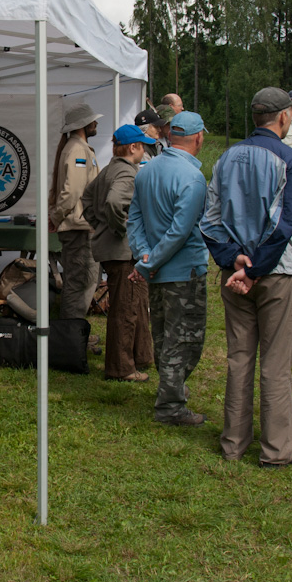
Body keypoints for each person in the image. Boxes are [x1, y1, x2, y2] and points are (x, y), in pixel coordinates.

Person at [201, 87, 292, 468]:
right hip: (275, 272)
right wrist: (255, 267)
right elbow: (285, 223)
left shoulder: (225, 157)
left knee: (239, 358)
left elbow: (209, 220)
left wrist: (234, 261)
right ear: (283, 118)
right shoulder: (290, 159)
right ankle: (277, 450)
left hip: (236, 274)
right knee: (276, 364)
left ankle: (233, 443)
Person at [127, 111, 210, 426]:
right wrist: (150, 262)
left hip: (157, 272)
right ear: (199, 137)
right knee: (186, 338)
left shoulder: (147, 170)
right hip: (183, 271)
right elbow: (180, 231)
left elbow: (134, 218)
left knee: (163, 336)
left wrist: (145, 257)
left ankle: (172, 392)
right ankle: (171, 406)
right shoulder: (193, 177)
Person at [82, 125, 156, 382]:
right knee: (125, 310)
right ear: (133, 147)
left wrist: (100, 223)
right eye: (142, 145)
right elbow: (115, 202)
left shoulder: (110, 169)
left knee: (136, 303)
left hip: (117, 250)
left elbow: (86, 199)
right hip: (124, 252)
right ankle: (120, 368)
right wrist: (121, 229)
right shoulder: (127, 173)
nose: (145, 150)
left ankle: (142, 355)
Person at [49, 102, 103, 329]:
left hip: (79, 225)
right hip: (79, 227)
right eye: (93, 120)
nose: (96, 123)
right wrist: (56, 216)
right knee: (79, 282)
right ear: (84, 124)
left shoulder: (74, 148)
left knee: (79, 280)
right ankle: (70, 336)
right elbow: (73, 191)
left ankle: (73, 334)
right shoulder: (78, 150)